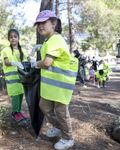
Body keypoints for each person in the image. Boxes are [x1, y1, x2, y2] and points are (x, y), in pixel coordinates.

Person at [31, 10, 78, 150]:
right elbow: (50, 50)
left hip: (61, 84)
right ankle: (59, 128)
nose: (40, 26)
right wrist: (41, 46)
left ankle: (68, 138)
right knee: (44, 105)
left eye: (43, 22)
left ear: (53, 23)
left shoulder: (56, 39)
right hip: (52, 85)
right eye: (38, 24)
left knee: (61, 112)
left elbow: (46, 63)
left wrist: (35, 63)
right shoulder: (49, 40)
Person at [1, 29, 28, 123]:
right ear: (9, 39)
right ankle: (15, 113)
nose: (13, 38)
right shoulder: (6, 50)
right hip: (12, 78)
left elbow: (26, 61)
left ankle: (19, 112)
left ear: (18, 38)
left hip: (21, 77)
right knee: (15, 95)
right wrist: (15, 63)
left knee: (20, 94)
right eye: (11, 37)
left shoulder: (22, 50)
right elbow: (7, 62)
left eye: (15, 36)